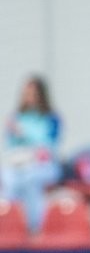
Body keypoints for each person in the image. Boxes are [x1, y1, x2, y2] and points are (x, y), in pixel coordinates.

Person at [1, 76, 62, 233]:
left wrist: (24, 134)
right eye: (26, 93)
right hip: (19, 164)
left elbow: (49, 145)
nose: (29, 97)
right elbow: (11, 145)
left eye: (33, 93)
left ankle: (34, 228)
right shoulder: (16, 117)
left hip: (44, 166)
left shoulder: (52, 118)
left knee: (30, 181)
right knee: (8, 180)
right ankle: (9, 226)